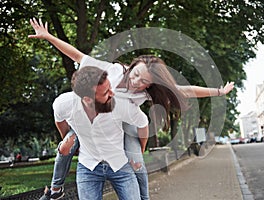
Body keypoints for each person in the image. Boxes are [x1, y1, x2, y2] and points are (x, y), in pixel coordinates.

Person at [29, 18, 234, 200]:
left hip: (122, 126)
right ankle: (56, 189)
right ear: (132, 66)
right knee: (67, 143)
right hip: (93, 116)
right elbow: (77, 56)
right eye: (135, 75)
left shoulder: (144, 93)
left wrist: (218, 92)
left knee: (136, 159)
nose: (135, 82)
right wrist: (48, 37)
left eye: (144, 82)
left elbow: (185, 90)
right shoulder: (112, 70)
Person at [54, 66, 148, 200]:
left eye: (110, 87)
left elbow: (143, 123)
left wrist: (141, 148)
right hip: (88, 167)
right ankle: (55, 189)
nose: (112, 93)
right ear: (87, 99)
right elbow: (60, 120)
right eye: (105, 93)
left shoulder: (120, 104)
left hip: (120, 165)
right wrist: (71, 142)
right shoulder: (64, 104)